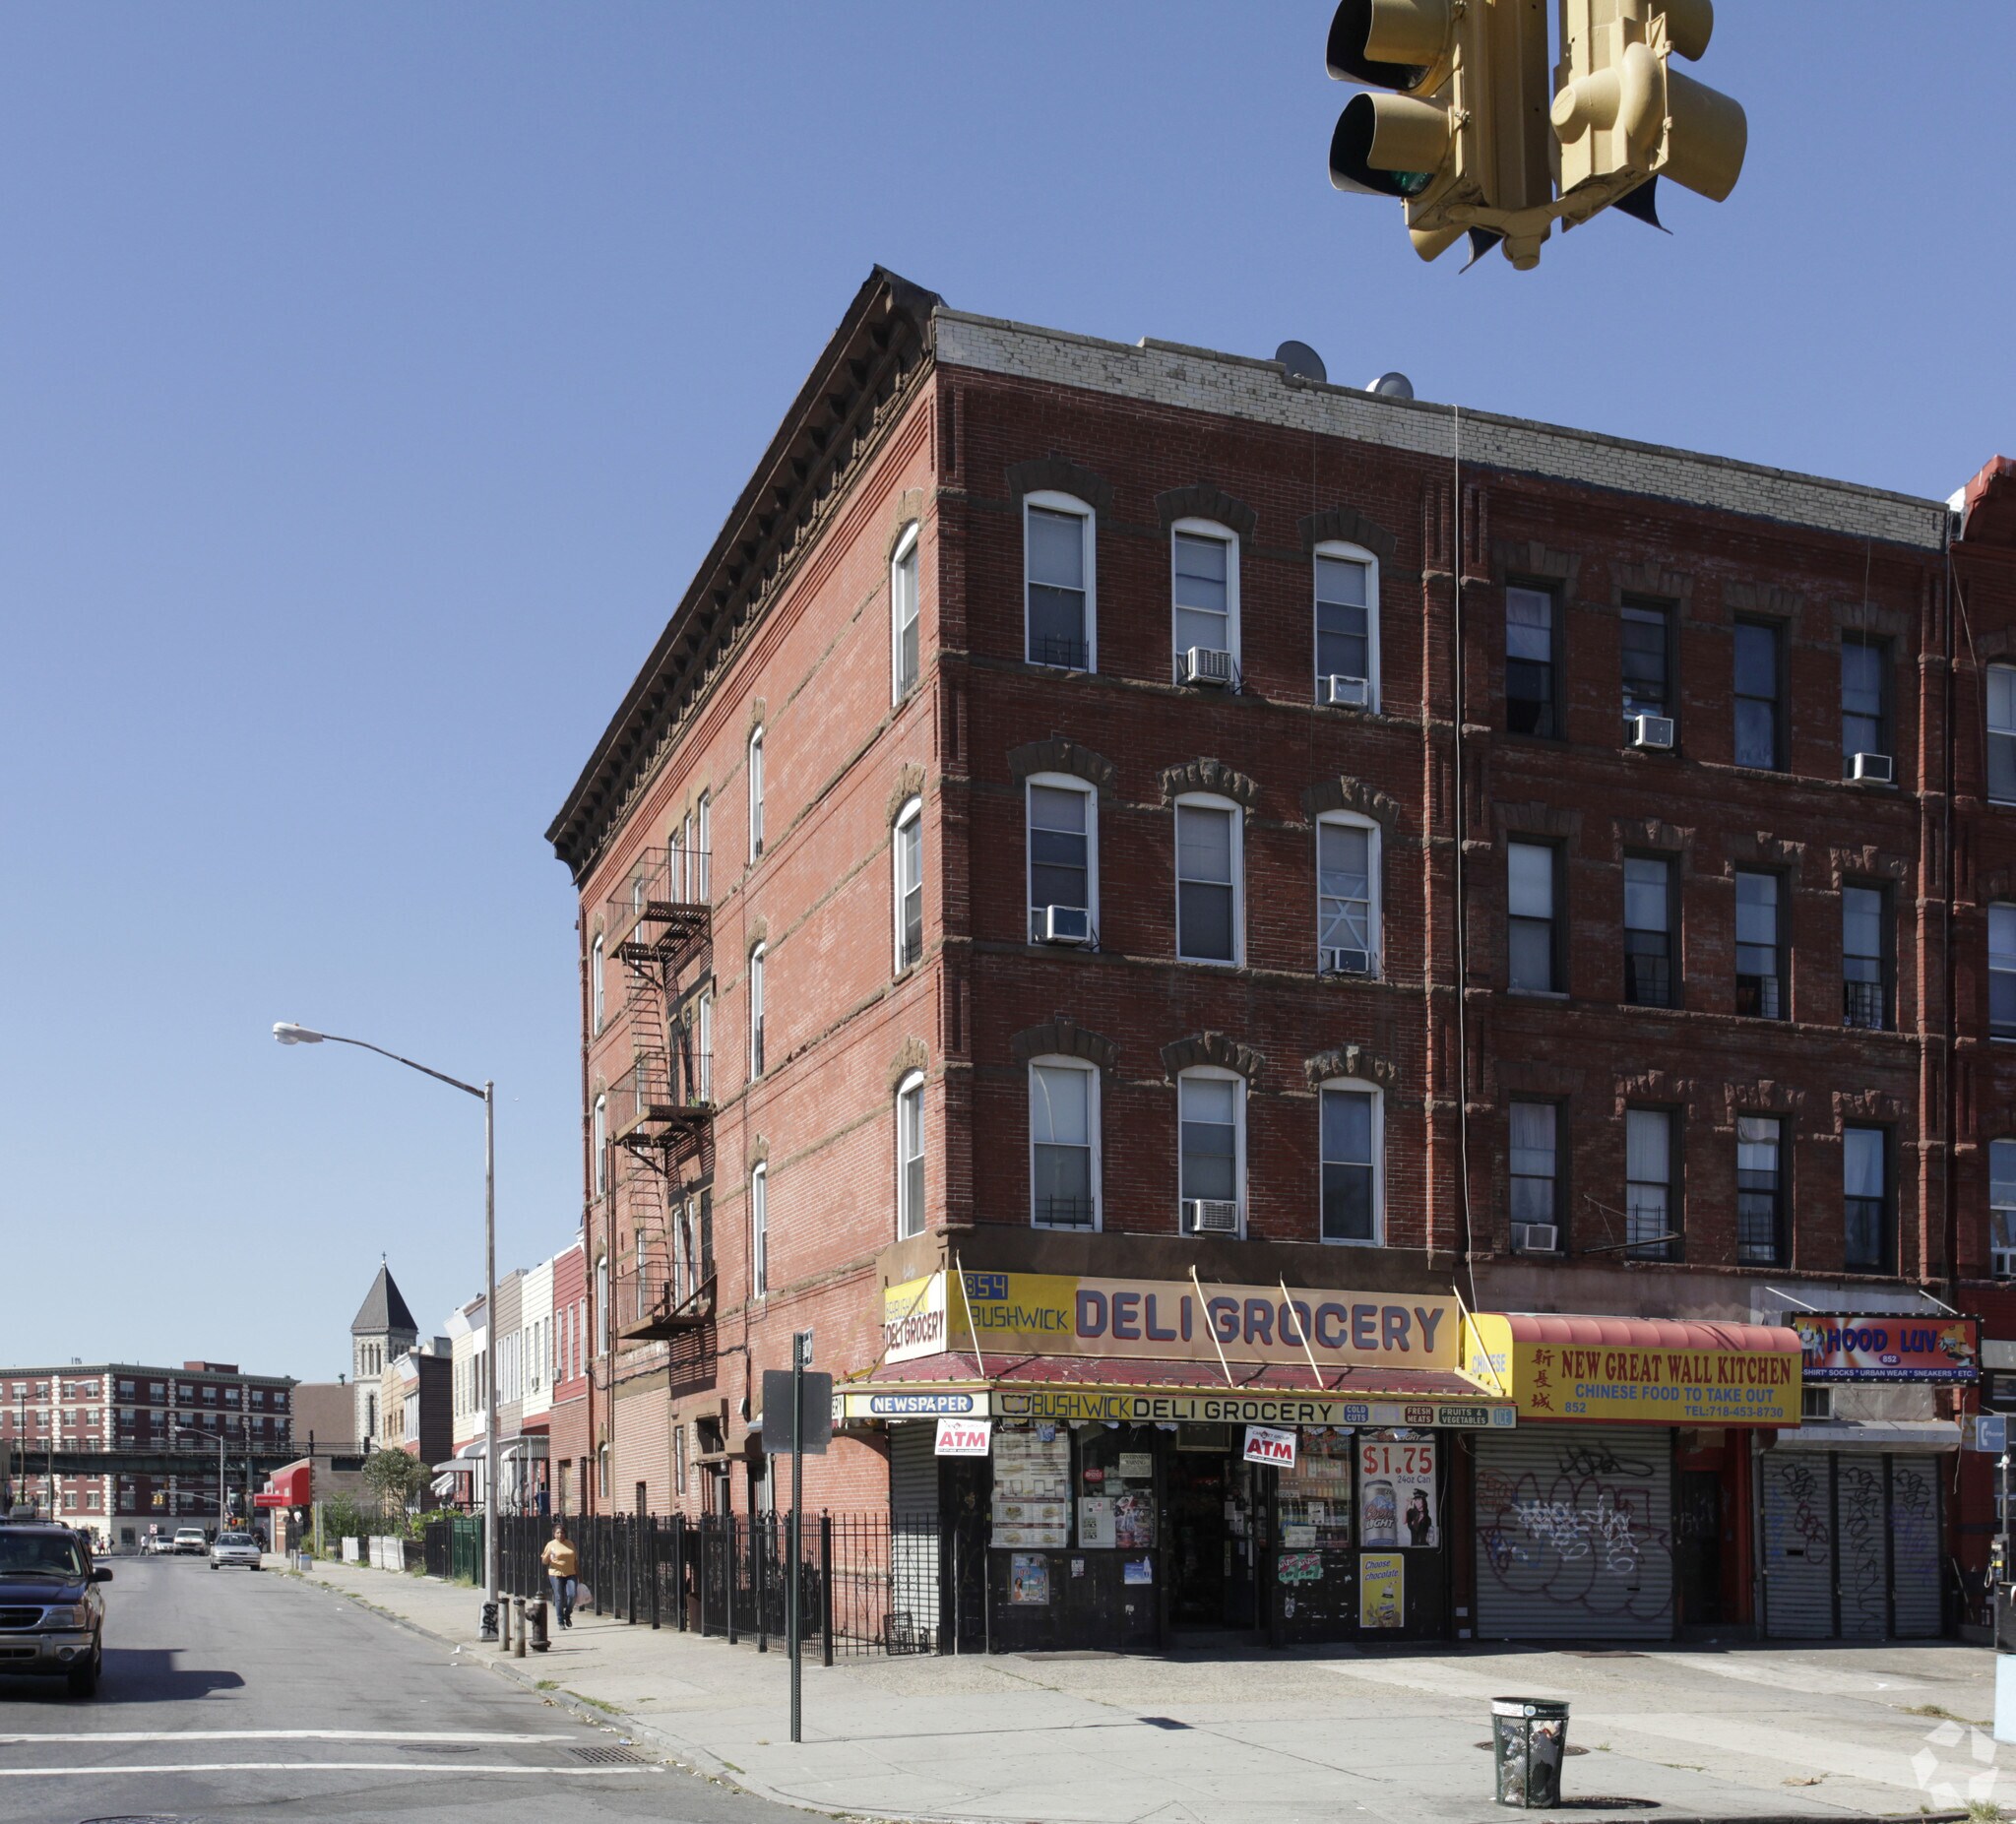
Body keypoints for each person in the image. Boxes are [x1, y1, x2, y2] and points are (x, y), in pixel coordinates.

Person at [540, 1522, 578, 1629]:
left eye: (562, 1533)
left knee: (572, 1595)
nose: (560, 1535)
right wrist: (547, 1558)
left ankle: (567, 1614)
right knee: (559, 1597)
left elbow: (575, 1560)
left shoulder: (570, 1544)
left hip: (571, 1573)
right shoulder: (551, 1544)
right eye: (558, 1533)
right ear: (554, 1534)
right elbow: (544, 1561)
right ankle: (560, 1621)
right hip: (556, 1573)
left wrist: (579, 1575)